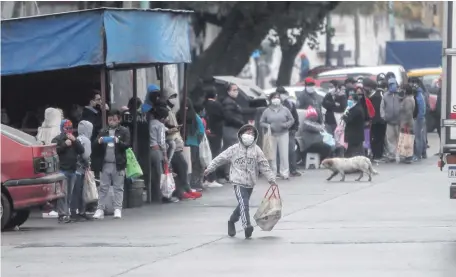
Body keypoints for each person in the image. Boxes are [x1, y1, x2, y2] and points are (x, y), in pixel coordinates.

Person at [203, 124, 277, 239]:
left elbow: (264, 165)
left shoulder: (257, 150)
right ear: (241, 135)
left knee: (242, 204)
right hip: (238, 181)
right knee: (244, 203)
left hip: (250, 182)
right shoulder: (234, 149)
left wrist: (271, 179)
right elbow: (220, 159)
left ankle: (232, 220)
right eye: (247, 133)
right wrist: (210, 168)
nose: (249, 136)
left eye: (252, 134)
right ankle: (246, 225)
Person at [92, 110, 130, 219]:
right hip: (105, 163)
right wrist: (99, 141)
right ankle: (100, 209)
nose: (112, 122)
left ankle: (118, 209)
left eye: (114, 119)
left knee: (118, 187)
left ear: (119, 120)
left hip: (118, 163)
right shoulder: (103, 131)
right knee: (103, 187)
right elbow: (94, 145)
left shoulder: (124, 131)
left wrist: (118, 141)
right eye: (110, 119)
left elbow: (127, 145)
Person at [52, 119, 84, 223]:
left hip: (72, 170)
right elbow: (54, 151)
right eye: (67, 128)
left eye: (71, 128)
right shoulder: (57, 139)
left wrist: (75, 141)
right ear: (62, 129)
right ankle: (62, 215)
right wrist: (65, 144)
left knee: (69, 194)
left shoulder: (74, 139)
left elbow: (81, 150)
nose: (69, 130)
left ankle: (67, 213)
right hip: (62, 170)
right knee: (62, 193)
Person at [260, 92, 295, 179]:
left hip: (283, 134)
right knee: (272, 156)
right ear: (271, 99)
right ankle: (273, 173)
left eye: (278, 97)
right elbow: (261, 122)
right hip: (271, 135)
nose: (276, 99)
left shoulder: (285, 109)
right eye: (274, 97)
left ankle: (285, 173)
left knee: (284, 154)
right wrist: (268, 126)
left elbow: (291, 119)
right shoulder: (267, 111)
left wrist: (286, 125)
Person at [177, 98, 205, 191]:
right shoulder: (195, 116)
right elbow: (201, 130)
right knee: (192, 164)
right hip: (193, 144)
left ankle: (184, 184)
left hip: (181, 143)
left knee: (183, 165)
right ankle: (192, 184)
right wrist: (197, 141)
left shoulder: (178, 115)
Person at [221, 84, 245, 180]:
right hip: (231, 129)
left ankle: (229, 172)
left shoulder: (232, 102)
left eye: (237, 90)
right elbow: (229, 117)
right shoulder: (229, 103)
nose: (236, 92)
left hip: (233, 128)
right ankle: (230, 173)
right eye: (234, 90)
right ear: (228, 91)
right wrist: (241, 123)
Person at [71, 120, 93, 221]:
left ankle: (73, 211)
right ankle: (81, 211)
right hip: (81, 169)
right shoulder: (86, 140)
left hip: (74, 168)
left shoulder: (76, 138)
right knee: (82, 191)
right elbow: (86, 155)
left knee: (74, 192)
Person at [277, 86, 301, 177]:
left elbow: (295, 117)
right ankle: (280, 170)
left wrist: (295, 128)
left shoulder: (290, 104)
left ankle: (293, 169)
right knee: (279, 152)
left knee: (291, 150)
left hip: (290, 131)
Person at [203, 86, 225, 186]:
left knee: (206, 155)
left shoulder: (204, 104)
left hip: (206, 132)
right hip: (216, 132)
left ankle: (206, 178)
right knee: (214, 155)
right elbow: (223, 116)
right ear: (215, 95)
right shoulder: (217, 105)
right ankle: (211, 179)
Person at [364, 78, 386, 162]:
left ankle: (378, 155)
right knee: (375, 138)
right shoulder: (371, 96)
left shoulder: (378, 95)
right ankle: (376, 155)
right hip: (374, 121)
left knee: (379, 138)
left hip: (380, 120)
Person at [380, 76, 402, 162]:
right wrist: (384, 116)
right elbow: (382, 107)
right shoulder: (385, 96)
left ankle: (401, 154)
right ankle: (392, 155)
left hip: (399, 121)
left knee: (400, 138)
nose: (393, 86)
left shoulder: (400, 94)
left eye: (394, 84)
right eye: (391, 85)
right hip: (389, 121)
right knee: (390, 139)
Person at [342, 88, 365, 158]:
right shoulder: (351, 108)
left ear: (355, 100)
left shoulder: (357, 109)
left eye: (351, 99)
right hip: (352, 135)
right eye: (348, 99)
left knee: (356, 154)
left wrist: (344, 117)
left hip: (355, 135)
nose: (349, 101)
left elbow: (348, 119)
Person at [399, 85, 416, 163]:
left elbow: (408, 113)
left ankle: (408, 157)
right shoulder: (408, 98)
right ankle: (406, 156)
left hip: (407, 123)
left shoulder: (408, 100)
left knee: (407, 140)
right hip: (407, 122)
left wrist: (404, 124)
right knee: (407, 139)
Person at [410, 82, 426, 162]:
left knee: (417, 138)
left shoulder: (418, 97)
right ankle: (423, 153)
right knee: (421, 137)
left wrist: (417, 119)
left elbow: (420, 110)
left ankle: (417, 155)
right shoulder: (420, 95)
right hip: (420, 119)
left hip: (418, 119)